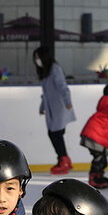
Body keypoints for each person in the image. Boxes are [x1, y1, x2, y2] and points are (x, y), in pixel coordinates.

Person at [34, 46, 76, 175]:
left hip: (59, 107)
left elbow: (63, 86)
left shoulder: (54, 69)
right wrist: (42, 107)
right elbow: (45, 93)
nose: (37, 60)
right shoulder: (45, 72)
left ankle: (63, 160)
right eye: (35, 58)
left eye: (38, 57)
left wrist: (68, 102)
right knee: (55, 134)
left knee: (55, 134)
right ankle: (64, 159)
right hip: (51, 108)